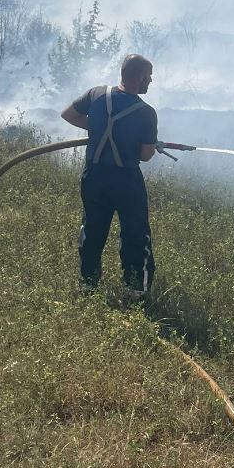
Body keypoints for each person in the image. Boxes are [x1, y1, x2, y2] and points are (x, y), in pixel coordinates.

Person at [60, 54, 159, 300]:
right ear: (139, 77)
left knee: (92, 230)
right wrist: (150, 144)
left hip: (94, 178)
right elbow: (146, 155)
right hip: (126, 181)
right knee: (135, 233)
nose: (151, 81)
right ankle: (135, 289)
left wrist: (99, 128)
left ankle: (88, 284)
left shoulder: (96, 94)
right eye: (149, 76)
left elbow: (68, 115)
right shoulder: (146, 113)